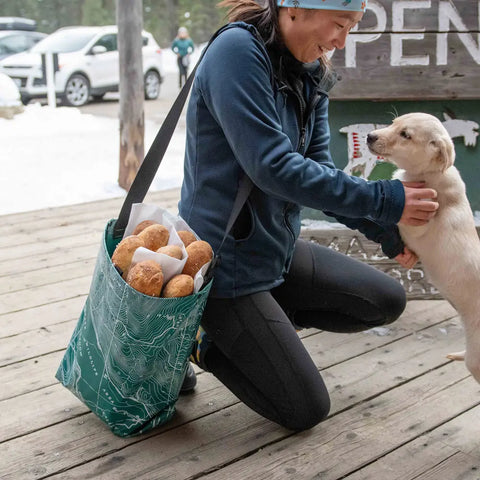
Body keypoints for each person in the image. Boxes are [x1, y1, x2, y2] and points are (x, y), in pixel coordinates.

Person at [178, 0, 439, 430]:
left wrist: (386, 230)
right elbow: (272, 167)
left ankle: (261, 323)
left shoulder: (311, 71)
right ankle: (203, 339)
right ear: (295, 7)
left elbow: (320, 171)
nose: (341, 41)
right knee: (304, 409)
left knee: (385, 301)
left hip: (274, 252)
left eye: (352, 28)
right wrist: (387, 198)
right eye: (340, 24)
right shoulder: (237, 53)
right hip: (223, 266)